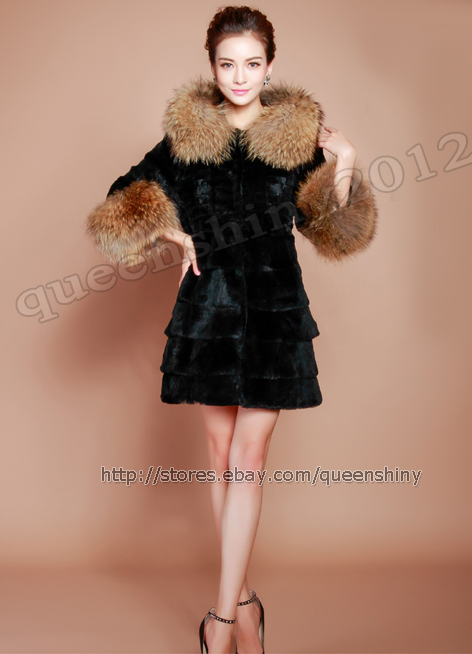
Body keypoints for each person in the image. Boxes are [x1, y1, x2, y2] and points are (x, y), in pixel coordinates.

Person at [85, 6, 378, 653]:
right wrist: (174, 234)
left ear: (269, 67)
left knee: (248, 460)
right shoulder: (187, 138)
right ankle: (244, 604)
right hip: (209, 312)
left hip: (274, 311)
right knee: (220, 460)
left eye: (252, 64)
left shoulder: (297, 139)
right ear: (212, 67)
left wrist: (347, 159)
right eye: (227, 64)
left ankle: (218, 624)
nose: (240, 76)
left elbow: (334, 228)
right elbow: (120, 202)